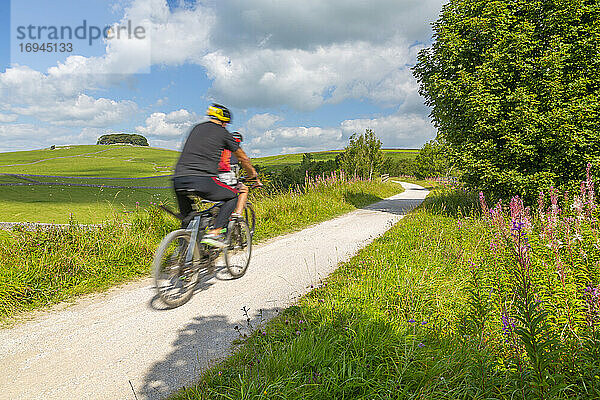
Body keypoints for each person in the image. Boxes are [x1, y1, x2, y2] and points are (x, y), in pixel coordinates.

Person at [173, 104, 261, 248]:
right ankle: (215, 232)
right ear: (224, 121)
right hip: (202, 179)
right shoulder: (222, 132)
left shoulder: (196, 128)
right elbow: (243, 158)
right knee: (233, 196)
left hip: (179, 179)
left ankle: (183, 256)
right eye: (226, 123)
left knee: (189, 220)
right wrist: (253, 174)